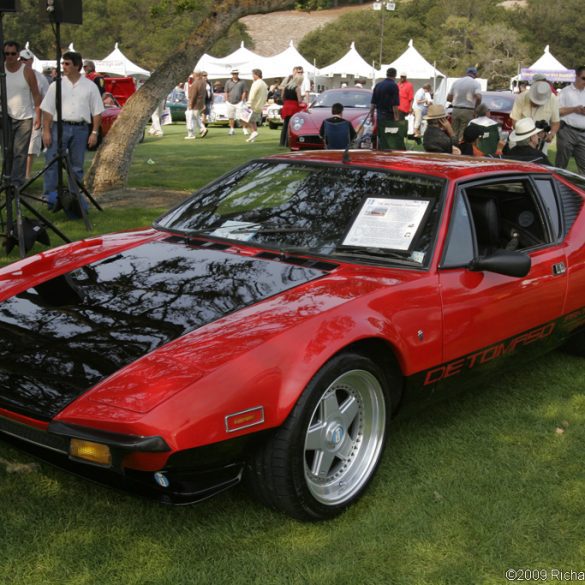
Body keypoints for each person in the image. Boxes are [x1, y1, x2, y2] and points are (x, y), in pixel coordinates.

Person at [41, 51, 104, 212]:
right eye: (63, 63)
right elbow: (47, 110)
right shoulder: (56, 85)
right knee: (52, 162)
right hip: (58, 127)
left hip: (80, 129)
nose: (64, 66)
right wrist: (46, 131)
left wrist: (94, 133)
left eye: (67, 64)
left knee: (76, 166)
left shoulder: (90, 86)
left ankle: (73, 199)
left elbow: (97, 111)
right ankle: (50, 199)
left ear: (77, 66)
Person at [3, 40, 41, 188]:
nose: (10, 57)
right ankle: (6, 181)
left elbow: (36, 94)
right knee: (7, 151)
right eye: (7, 54)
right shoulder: (2, 70)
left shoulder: (26, 71)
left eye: (13, 54)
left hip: (25, 117)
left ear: (18, 54)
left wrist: (37, 114)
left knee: (20, 152)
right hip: (6, 116)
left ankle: (16, 184)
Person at [19, 48, 49, 179]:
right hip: (16, 115)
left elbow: (46, 98)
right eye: (21, 59)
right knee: (16, 148)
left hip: (34, 115)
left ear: (31, 60)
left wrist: (43, 118)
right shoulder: (12, 75)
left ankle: (26, 175)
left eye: (26, 59)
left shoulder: (40, 78)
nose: (23, 62)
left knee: (31, 148)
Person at [510, 79, 559, 149]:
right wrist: (527, 137)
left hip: (541, 142)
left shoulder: (553, 99)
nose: (537, 104)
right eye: (535, 101)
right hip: (520, 140)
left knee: (540, 158)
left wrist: (551, 135)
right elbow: (514, 121)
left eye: (540, 102)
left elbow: (556, 122)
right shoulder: (521, 97)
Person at [555, 65, 585, 175]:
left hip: (583, 133)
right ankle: (557, 189)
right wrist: (574, 109)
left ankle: (581, 191)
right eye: (583, 78)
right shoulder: (565, 92)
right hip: (567, 131)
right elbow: (557, 111)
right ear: (576, 77)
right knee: (561, 165)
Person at [447, 66, 482, 142]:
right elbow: (479, 97)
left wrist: (457, 100)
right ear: (475, 74)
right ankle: (461, 150)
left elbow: (448, 98)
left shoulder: (456, 82)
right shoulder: (476, 83)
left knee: (454, 132)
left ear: (467, 73)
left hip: (456, 109)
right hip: (468, 110)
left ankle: (453, 149)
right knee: (463, 133)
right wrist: (476, 108)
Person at [370, 67, 400, 149]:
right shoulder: (394, 86)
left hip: (379, 114)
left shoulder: (378, 85)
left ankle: (379, 150)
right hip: (389, 116)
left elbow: (373, 102)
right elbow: (395, 105)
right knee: (388, 137)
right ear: (395, 75)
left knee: (380, 135)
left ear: (386, 74)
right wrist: (397, 118)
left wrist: (371, 115)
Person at [243, 68, 268, 143]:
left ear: (256, 75)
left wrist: (249, 104)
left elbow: (252, 94)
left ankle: (254, 133)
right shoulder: (264, 84)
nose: (252, 76)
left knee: (246, 119)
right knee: (253, 121)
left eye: (253, 74)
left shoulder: (256, 83)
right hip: (260, 106)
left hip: (254, 105)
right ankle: (253, 137)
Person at [279, 71, 304, 147]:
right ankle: (288, 142)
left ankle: (282, 142)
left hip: (286, 106)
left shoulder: (286, 87)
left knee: (285, 125)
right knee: (292, 125)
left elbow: (282, 97)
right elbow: (299, 100)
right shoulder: (297, 88)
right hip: (293, 107)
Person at [224, 69, 247, 136]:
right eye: (234, 74)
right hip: (230, 102)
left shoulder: (242, 82)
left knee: (242, 116)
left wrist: (242, 100)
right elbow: (226, 91)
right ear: (232, 74)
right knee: (231, 116)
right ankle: (232, 129)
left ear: (238, 74)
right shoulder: (228, 82)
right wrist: (226, 100)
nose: (235, 75)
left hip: (239, 102)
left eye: (236, 73)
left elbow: (244, 91)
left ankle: (244, 129)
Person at [187, 70, 208, 139]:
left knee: (192, 118)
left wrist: (190, 104)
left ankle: (201, 129)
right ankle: (200, 130)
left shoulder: (196, 83)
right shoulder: (203, 82)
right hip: (200, 103)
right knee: (196, 117)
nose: (192, 75)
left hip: (195, 104)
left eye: (193, 74)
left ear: (196, 74)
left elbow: (193, 95)